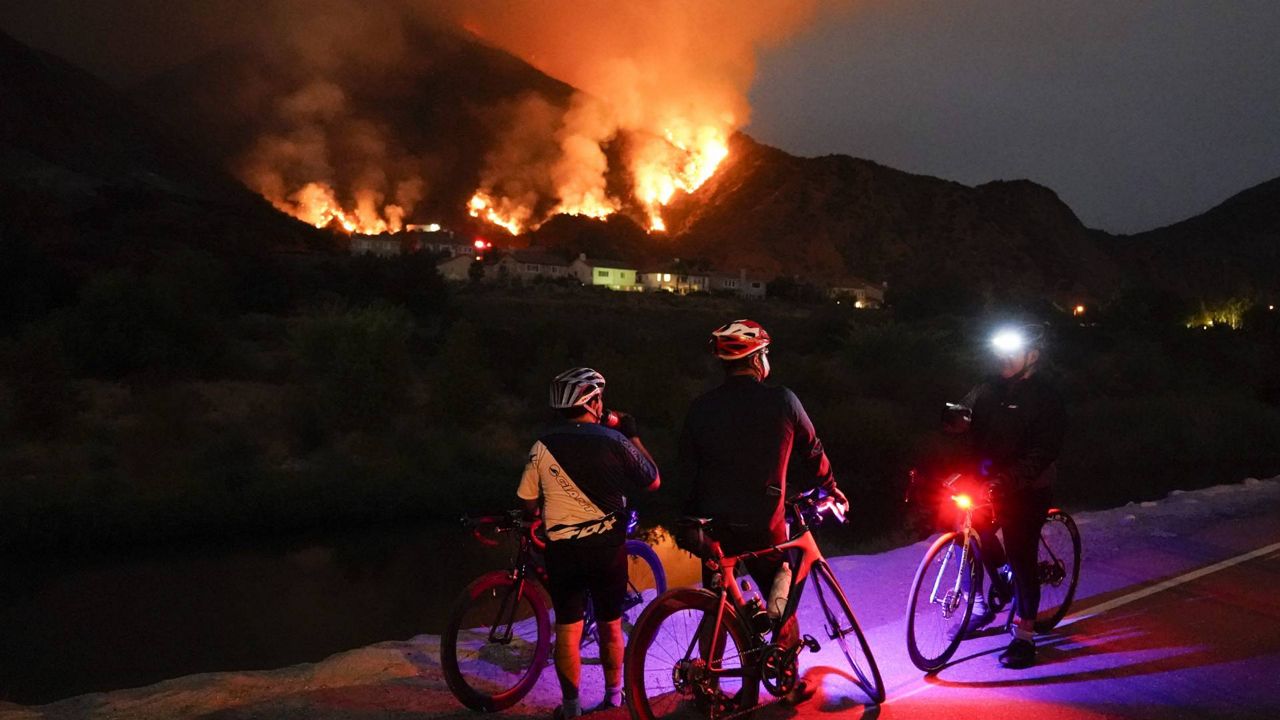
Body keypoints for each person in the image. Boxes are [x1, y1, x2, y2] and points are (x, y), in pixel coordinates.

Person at [678, 319, 848, 702]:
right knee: (780, 588)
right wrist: (830, 486)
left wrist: (689, 523)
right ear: (757, 360)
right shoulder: (783, 400)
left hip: (714, 526)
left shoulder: (700, 408)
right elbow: (812, 450)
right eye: (765, 354)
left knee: (716, 603)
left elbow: (686, 471)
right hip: (764, 524)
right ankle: (786, 682)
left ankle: (709, 683)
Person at [517, 367, 661, 719]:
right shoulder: (615, 441)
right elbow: (653, 480)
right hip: (607, 551)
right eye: (599, 398)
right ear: (592, 401)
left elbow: (527, 501)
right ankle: (614, 699)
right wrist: (633, 435)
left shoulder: (542, 445)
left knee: (568, 626)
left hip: (563, 551)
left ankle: (570, 709)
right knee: (611, 625)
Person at [942, 323, 1067, 669]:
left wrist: (1006, 481)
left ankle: (1025, 635)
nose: (1004, 358)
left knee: (1019, 549)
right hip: (988, 482)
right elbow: (964, 416)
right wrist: (953, 417)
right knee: (966, 529)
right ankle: (990, 596)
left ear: (1033, 357)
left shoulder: (1047, 397)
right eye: (1000, 351)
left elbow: (1043, 452)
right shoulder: (987, 388)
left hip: (1028, 486)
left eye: (1012, 352)